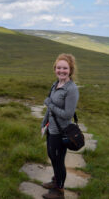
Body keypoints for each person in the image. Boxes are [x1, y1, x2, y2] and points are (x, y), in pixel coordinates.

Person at [40, 53, 79, 199]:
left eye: (65, 68)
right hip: (51, 129)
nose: (61, 71)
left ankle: (59, 191)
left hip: (61, 131)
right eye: (59, 68)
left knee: (58, 160)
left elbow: (68, 114)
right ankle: (55, 181)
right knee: (52, 156)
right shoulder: (55, 84)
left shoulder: (71, 89)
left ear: (70, 70)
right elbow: (50, 109)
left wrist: (49, 103)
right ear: (55, 68)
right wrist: (44, 122)